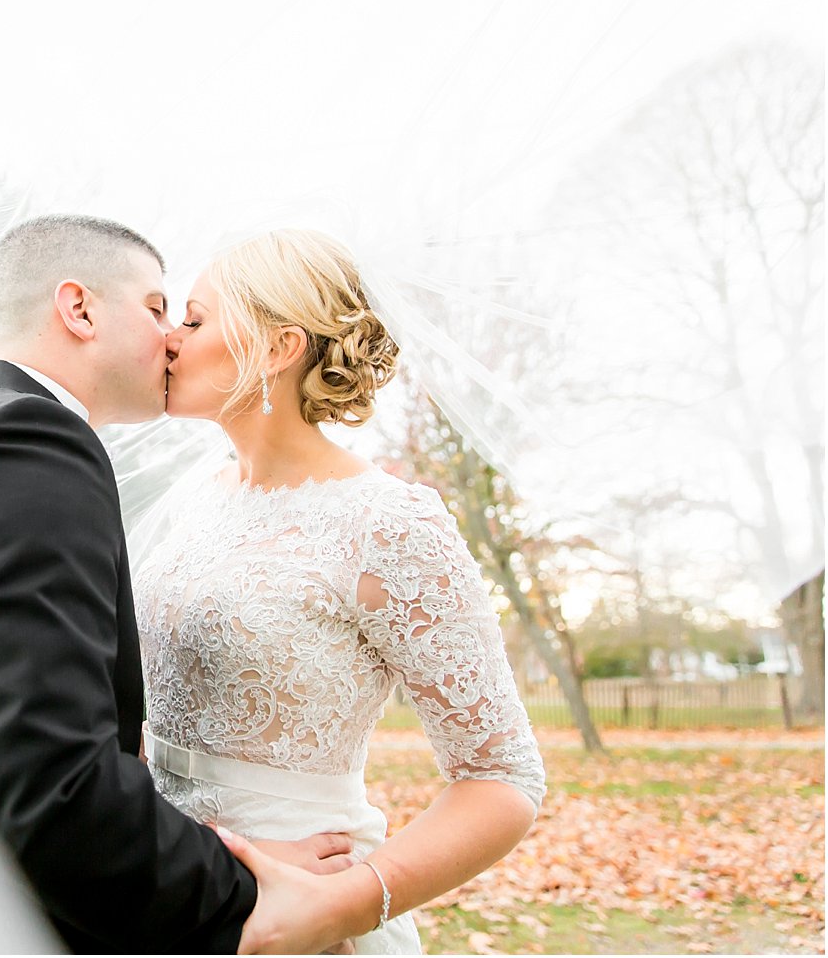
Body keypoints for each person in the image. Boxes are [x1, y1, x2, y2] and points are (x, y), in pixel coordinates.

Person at [0, 215, 358, 954]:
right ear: (78, 309)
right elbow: (45, 784)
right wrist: (243, 892)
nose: (172, 337)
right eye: (155, 308)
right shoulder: (28, 444)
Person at [137, 229, 547, 954]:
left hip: (300, 911)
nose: (170, 338)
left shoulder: (388, 523)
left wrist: (345, 907)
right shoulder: (191, 501)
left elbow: (501, 776)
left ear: (277, 348)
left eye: (195, 320)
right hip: (164, 887)